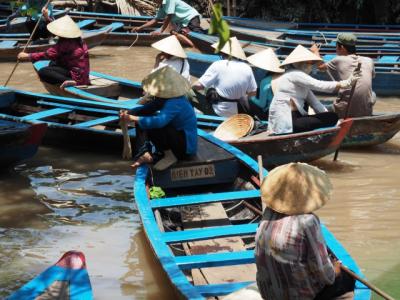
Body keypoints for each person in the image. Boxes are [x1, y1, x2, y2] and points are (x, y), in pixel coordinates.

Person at [256, 162, 355, 300]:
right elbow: (324, 274)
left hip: (268, 293)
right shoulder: (307, 221)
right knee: (348, 277)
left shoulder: (269, 212)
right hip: (297, 297)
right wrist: (336, 270)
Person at [268, 44, 361, 134]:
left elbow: (315, 104)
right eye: (309, 63)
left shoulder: (299, 78)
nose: (311, 66)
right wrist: (345, 83)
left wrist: (333, 120)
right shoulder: (294, 74)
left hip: (294, 119)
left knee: (332, 116)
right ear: (300, 63)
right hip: (287, 122)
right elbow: (318, 85)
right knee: (332, 117)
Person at [119, 66, 197, 171]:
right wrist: (128, 113)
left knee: (155, 123)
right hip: (177, 141)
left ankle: (169, 155)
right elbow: (147, 109)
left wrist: (134, 118)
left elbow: (160, 122)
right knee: (143, 119)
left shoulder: (176, 102)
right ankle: (144, 152)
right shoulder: (164, 99)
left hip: (184, 150)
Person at [313, 33, 376, 118]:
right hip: (366, 112)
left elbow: (320, 67)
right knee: (372, 94)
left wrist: (315, 51)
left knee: (321, 107)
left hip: (345, 111)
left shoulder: (338, 60)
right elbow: (369, 78)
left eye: (336, 46)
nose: (336, 49)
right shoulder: (369, 60)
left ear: (341, 47)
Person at [17, 16, 90, 89]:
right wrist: (47, 18)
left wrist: (27, 56)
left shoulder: (64, 43)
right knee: (52, 63)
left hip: (77, 77)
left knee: (43, 72)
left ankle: (70, 81)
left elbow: (46, 55)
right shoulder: (79, 39)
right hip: (84, 75)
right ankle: (71, 79)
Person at [192, 37, 257, 118]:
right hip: (237, 111)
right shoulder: (247, 67)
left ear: (222, 53)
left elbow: (199, 86)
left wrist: (190, 87)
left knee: (193, 93)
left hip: (219, 110)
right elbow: (253, 93)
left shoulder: (218, 64)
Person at [247, 48, 284, 119]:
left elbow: (262, 104)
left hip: (271, 113)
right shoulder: (284, 76)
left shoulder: (265, 81)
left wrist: (251, 98)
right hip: (283, 110)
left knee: (246, 100)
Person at [131, 0, 202, 36]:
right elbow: (155, 20)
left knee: (197, 33)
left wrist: (160, 31)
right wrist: (140, 28)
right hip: (182, 22)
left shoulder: (169, 0)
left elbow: (169, 16)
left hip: (191, 16)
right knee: (176, 33)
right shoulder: (162, 6)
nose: (154, 1)